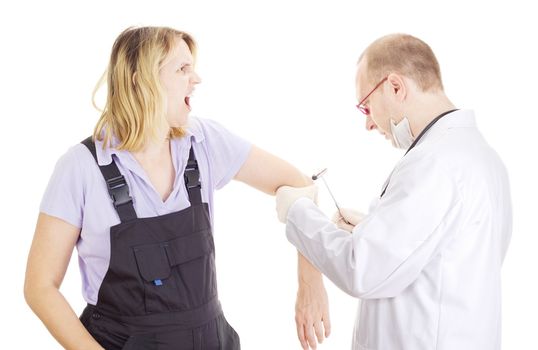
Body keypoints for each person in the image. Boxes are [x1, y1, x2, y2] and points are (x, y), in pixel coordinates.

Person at [24, 26, 330, 350]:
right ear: (140, 79)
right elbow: (40, 286)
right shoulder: (80, 167)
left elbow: (298, 188)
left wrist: (310, 283)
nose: (195, 79)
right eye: (182, 69)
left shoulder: (204, 142)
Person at [275, 33, 512, 349]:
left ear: (395, 87)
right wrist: (372, 230)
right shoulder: (482, 157)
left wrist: (298, 211)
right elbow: (447, 256)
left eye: (366, 106)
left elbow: (363, 270)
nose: (369, 124)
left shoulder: (434, 163)